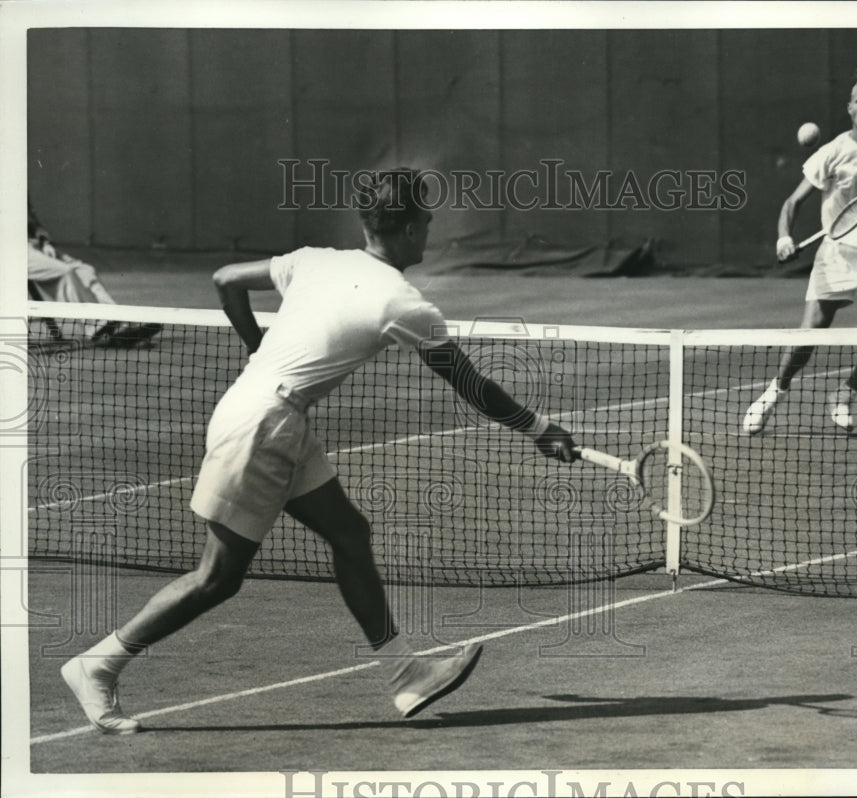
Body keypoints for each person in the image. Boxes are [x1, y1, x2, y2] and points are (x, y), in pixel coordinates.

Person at [60, 168, 579, 734]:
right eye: (426, 218)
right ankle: (98, 666)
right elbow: (473, 386)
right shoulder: (403, 305)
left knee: (350, 534)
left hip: (270, 414)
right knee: (217, 578)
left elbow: (226, 278)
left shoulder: (315, 259)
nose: (431, 225)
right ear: (406, 229)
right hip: (263, 428)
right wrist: (537, 428)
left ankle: (406, 675)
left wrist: (257, 349)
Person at [742, 69, 857, 434]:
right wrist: (784, 238)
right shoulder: (833, 152)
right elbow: (791, 204)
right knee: (811, 334)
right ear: (849, 107)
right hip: (835, 259)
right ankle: (773, 393)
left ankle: (845, 392)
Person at [28, 199, 161, 346]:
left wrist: (44, 241)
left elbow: (33, 221)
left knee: (84, 270)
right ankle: (97, 325)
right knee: (65, 272)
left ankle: (118, 325)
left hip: (29, 244)